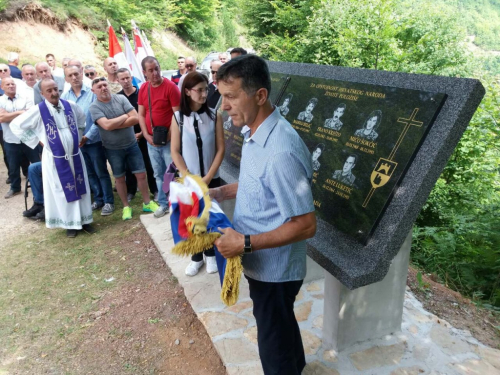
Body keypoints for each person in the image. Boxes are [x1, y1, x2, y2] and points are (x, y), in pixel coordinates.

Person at [211, 55, 316, 375]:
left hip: (276, 271)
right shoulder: (255, 130)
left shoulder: (281, 150)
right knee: (280, 325)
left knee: (272, 342)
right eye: (221, 96)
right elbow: (261, 183)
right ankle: (296, 365)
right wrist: (222, 192)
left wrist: (244, 244)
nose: (223, 106)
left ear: (259, 96)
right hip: (263, 264)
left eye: (230, 96)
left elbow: (305, 224)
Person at [10, 78, 95, 238]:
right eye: (49, 91)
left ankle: (84, 220)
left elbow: (82, 119)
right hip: (56, 158)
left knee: (80, 187)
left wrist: (79, 136)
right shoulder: (38, 110)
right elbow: (16, 125)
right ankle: (70, 224)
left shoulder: (70, 105)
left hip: (75, 155)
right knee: (62, 190)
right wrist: (38, 140)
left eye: (56, 89)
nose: (54, 93)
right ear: (42, 94)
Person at [171, 71, 225, 276]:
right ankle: (196, 256)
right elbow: (175, 150)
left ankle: (211, 254)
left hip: (210, 177)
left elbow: (220, 149)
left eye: (206, 89)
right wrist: (188, 177)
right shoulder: (178, 118)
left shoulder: (214, 115)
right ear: (187, 92)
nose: (204, 94)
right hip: (189, 180)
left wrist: (208, 177)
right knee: (191, 218)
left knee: (209, 217)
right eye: (200, 90)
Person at [89, 77, 159, 220]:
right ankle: (126, 207)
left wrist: (112, 124)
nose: (103, 88)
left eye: (104, 85)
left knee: (141, 174)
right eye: (99, 87)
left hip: (132, 144)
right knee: (119, 178)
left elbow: (136, 118)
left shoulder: (120, 99)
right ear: (93, 91)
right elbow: (106, 126)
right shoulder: (94, 107)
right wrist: (123, 117)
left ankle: (147, 203)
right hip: (112, 148)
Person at [62, 66, 114, 216]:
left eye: (76, 74)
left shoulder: (91, 92)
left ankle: (108, 201)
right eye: (70, 75)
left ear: (81, 74)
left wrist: (87, 137)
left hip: (94, 140)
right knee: (88, 172)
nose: (74, 77)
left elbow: (98, 119)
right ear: (66, 79)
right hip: (77, 143)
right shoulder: (65, 97)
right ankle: (98, 199)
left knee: (101, 171)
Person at [138, 56, 181, 218]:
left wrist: (170, 136)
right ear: (144, 72)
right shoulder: (144, 88)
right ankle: (163, 203)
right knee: (158, 173)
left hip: (169, 140)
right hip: (151, 141)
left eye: (156, 68)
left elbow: (177, 116)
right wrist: (147, 136)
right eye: (150, 70)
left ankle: (176, 203)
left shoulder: (171, 87)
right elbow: (141, 115)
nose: (155, 73)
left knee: (173, 173)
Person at [116, 68, 158, 202]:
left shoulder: (142, 94)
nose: (126, 81)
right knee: (128, 166)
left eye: (127, 77)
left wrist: (141, 133)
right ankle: (131, 191)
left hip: (144, 135)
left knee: (149, 164)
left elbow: (148, 115)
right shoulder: (118, 98)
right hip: (126, 138)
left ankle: (155, 190)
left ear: (131, 77)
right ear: (118, 81)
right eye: (122, 79)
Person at [0, 78, 40, 199]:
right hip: (11, 139)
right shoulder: (0, 100)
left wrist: (9, 114)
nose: (11, 86)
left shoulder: (26, 98)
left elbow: (29, 116)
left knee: (36, 162)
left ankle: (39, 185)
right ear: (2, 87)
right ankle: (15, 188)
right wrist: (20, 112)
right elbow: (1, 118)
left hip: (28, 138)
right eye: (8, 84)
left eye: (13, 84)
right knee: (13, 165)